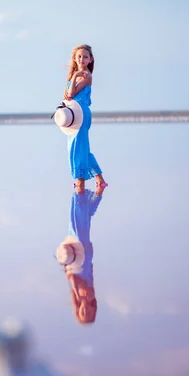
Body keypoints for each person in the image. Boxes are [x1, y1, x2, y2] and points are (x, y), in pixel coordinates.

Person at [56, 184, 106, 325]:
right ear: (92, 309)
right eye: (88, 313)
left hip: (79, 258)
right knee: (79, 224)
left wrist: (76, 288)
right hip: (82, 258)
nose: (85, 310)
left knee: (81, 224)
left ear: (78, 311)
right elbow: (84, 278)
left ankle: (94, 194)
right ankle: (81, 195)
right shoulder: (88, 295)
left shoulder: (78, 295)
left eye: (82, 313)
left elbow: (73, 277)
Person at [63, 44, 108, 193]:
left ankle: (80, 180)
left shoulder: (86, 75)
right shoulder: (74, 75)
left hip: (81, 113)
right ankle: (99, 178)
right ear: (75, 59)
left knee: (79, 147)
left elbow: (71, 93)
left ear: (91, 59)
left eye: (85, 57)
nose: (82, 59)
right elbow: (67, 95)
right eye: (79, 57)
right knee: (77, 147)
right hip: (73, 113)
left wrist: (75, 76)